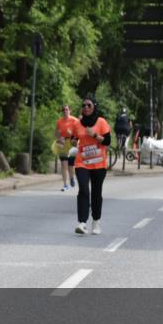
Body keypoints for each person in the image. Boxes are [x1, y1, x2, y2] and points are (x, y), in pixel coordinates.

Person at [73, 94, 110, 236]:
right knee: (83, 190)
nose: (86, 108)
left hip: (99, 164)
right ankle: (82, 223)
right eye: (84, 105)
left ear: (94, 107)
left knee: (96, 193)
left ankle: (96, 222)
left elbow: (107, 141)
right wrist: (71, 143)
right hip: (82, 162)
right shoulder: (77, 124)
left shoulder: (101, 122)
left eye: (89, 105)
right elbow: (74, 139)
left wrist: (94, 135)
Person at [54, 105, 79, 191]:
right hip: (62, 143)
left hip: (72, 143)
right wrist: (58, 137)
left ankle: (72, 178)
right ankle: (65, 184)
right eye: (63, 110)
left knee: (70, 166)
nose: (65, 111)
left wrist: (71, 134)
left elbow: (78, 134)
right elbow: (55, 134)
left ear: (70, 110)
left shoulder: (75, 120)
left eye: (67, 109)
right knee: (63, 164)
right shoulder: (59, 122)